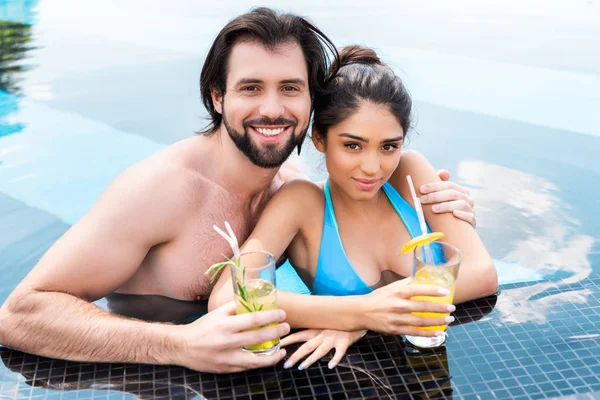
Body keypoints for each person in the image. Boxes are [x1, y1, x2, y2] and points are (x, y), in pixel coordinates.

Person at [0, 8, 477, 373]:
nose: (272, 109)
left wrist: (445, 216)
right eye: (251, 87)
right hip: (148, 376)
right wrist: (178, 346)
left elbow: (374, 267)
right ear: (217, 95)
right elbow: (19, 315)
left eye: (290, 88)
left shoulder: (294, 194)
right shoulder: (163, 190)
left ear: (314, 102)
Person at [208, 45, 498, 370]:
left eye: (389, 146)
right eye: (352, 145)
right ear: (319, 138)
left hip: (431, 358)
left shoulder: (409, 173)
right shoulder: (302, 203)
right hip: (346, 374)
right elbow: (226, 299)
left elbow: (483, 274)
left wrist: (362, 320)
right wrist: (360, 313)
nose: (373, 167)